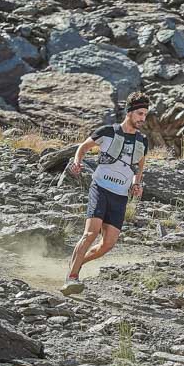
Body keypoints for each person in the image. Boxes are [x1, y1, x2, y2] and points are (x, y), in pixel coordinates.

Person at [61, 92, 150, 295]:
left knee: (107, 244)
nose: (142, 118)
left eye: (145, 114)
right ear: (129, 112)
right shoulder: (108, 132)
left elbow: (140, 165)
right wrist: (77, 162)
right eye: (139, 113)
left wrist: (137, 183)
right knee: (91, 233)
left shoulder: (142, 141)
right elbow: (83, 147)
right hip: (100, 188)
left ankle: (76, 262)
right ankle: (71, 278)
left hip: (120, 196)